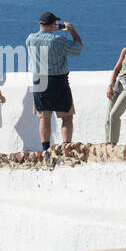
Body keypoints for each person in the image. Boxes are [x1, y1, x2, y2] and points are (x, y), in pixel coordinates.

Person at [26, 11, 83, 150]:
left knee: (44, 117)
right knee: (66, 116)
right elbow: (78, 47)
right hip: (58, 81)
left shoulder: (30, 38)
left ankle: (45, 148)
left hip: (38, 80)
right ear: (52, 25)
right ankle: (66, 146)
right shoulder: (57, 40)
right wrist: (72, 31)